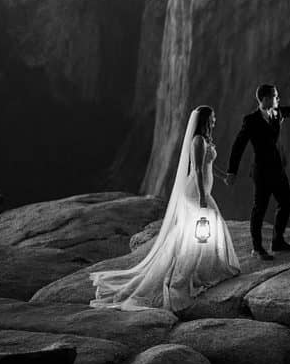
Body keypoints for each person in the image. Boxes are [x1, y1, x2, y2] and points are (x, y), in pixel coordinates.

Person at [89, 105, 239, 312]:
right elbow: (195, 169)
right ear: (204, 121)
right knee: (199, 230)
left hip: (202, 189)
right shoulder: (197, 141)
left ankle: (203, 267)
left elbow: (208, 165)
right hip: (195, 192)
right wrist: (203, 198)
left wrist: (223, 178)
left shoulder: (205, 141)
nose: (215, 121)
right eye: (212, 118)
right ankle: (184, 275)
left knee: (200, 230)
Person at [225, 84, 290, 260]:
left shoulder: (277, 113)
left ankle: (278, 241)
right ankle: (257, 248)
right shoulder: (251, 120)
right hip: (261, 171)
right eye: (276, 96)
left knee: (286, 202)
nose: (278, 99)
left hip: (277, 168)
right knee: (259, 209)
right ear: (266, 98)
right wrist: (232, 171)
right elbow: (238, 145)